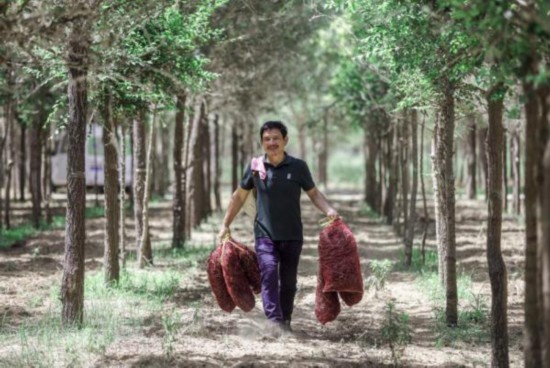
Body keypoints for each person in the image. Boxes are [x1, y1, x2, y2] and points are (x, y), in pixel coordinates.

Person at [218, 120, 339, 333]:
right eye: (267, 139)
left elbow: (313, 193)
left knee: (289, 280)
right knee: (269, 272)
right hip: (264, 233)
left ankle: (286, 318)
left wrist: (328, 210)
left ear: (285, 140)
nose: (271, 142)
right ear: (262, 142)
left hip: (292, 234)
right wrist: (225, 224)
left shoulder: (298, 167)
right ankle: (274, 320)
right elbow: (239, 197)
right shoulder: (255, 166)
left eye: (276, 138)